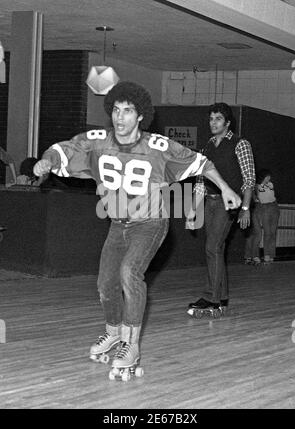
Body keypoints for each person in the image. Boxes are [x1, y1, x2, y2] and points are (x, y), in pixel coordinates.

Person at [33, 82, 241, 379]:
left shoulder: (158, 147)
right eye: (116, 110)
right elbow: (63, 149)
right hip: (118, 225)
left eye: (128, 111)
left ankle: (131, 344)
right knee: (105, 284)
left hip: (151, 222)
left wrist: (226, 188)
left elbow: (201, 163)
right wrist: (46, 161)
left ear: (140, 116)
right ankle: (114, 333)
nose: (120, 118)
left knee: (129, 272)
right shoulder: (98, 142)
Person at [186, 102, 255, 318]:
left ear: (227, 122)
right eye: (211, 119)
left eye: (217, 119)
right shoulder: (207, 146)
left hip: (230, 204)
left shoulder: (240, 144)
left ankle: (211, 298)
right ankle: (222, 297)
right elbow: (200, 180)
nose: (213, 123)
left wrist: (245, 208)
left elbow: (249, 179)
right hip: (210, 202)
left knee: (212, 247)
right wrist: (192, 210)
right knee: (217, 248)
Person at [244, 168, 280, 265]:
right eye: (267, 176)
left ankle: (271, 255)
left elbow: (271, 195)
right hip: (263, 208)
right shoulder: (256, 186)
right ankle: (263, 255)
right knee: (264, 233)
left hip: (274, 206)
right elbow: (254, 198)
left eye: (269, 176)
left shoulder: (271, 184)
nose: (269, 177)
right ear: (263, 176)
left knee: (273, 232)